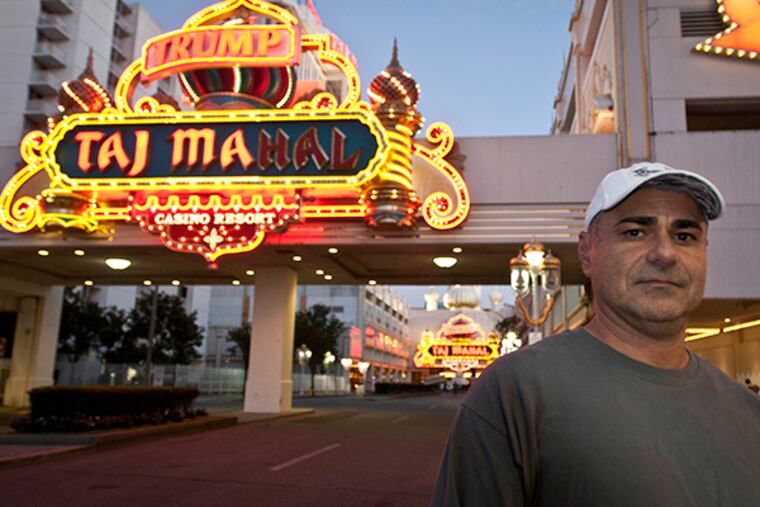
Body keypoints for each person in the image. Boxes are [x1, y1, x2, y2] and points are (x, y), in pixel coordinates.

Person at [432, 162, 760, 506]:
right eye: (635, 232)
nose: (665, 253)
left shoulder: (747, 410)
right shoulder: (516, 391)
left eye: (684, 236)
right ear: (587, 252)